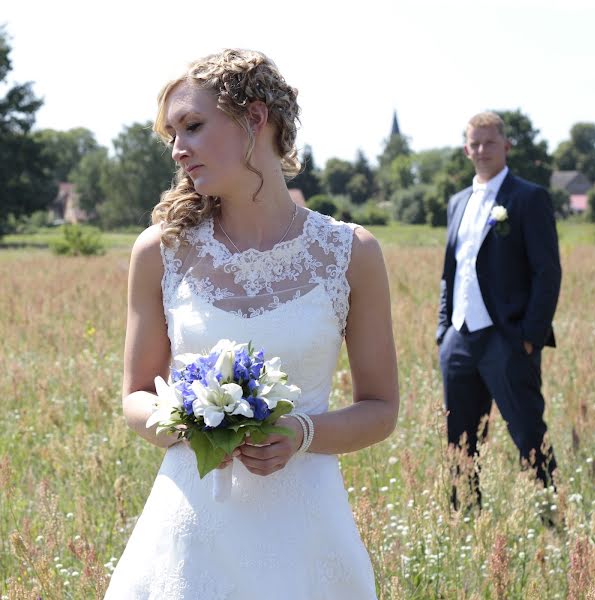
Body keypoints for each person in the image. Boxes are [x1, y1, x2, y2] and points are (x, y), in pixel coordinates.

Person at [104, 49, 398, 599]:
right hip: (191, 529)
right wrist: (189, 420)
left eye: (192, 126)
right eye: (172, 133)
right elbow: (135, 396)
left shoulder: (350, 252)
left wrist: (304, 432)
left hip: (307, 536)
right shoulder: (160, 252)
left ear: (255, 119)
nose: (178, 148)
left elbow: (381, 408)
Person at [436, 112, 561, 508]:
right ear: (465, 148)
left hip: (507, 341)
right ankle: (465, 519)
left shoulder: (529, 198)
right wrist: (444, 331)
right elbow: (450, 272)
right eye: (474, 143)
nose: (481, 150)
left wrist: (529, 337)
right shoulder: (458, 202)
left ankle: (553, 519)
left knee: (527, 435)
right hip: (459, 340)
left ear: (506, 146)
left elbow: (548, 272)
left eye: (489, 142)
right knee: (460, 440)